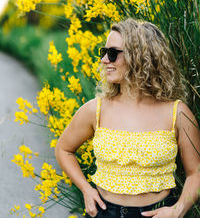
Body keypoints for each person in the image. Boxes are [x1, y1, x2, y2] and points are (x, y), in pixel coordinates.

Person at [55, 18, 200, 218]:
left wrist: (178, 209)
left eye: (113, 53)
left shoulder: (178, 113)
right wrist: (86, 190)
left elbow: (196, 171)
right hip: (104, 213)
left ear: (140, 57)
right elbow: (63, 149)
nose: (104, 60)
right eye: (103, 52)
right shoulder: (95, 109)